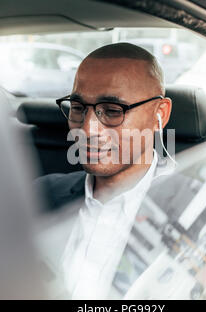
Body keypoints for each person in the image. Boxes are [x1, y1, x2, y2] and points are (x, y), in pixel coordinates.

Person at [35, 42, 178, 299]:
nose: (88, 129)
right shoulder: (40, 195)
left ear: (160, 114)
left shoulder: (195, 211)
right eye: (78, 108)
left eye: (113, 111)